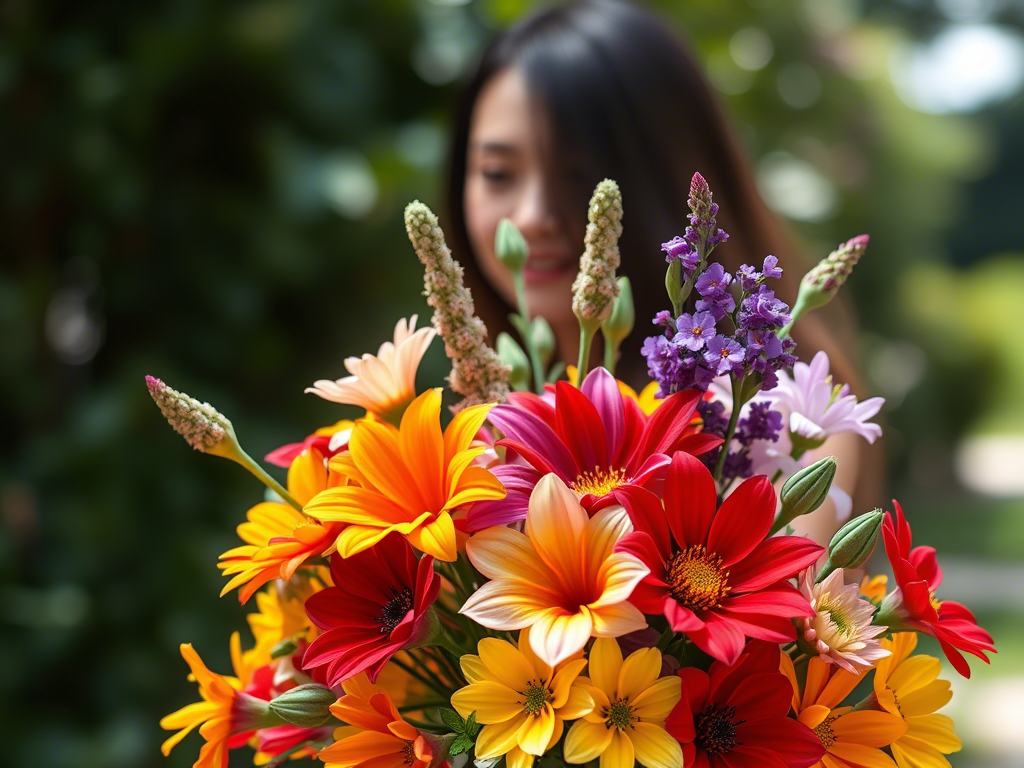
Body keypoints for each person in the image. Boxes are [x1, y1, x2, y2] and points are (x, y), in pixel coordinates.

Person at [441, 0, 882, 543]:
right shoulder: (473, 432)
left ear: (659, 176)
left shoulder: (779, 432)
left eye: (578, 174)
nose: (532, 217)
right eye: (497, 172)